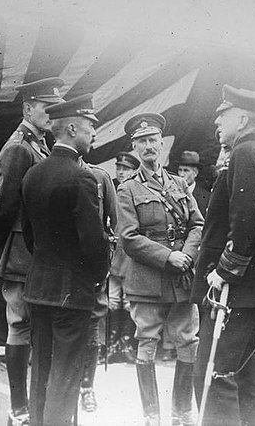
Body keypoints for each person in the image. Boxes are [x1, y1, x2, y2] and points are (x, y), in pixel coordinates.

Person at [191, 84, 255, 426]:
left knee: (214, 375)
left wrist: (226, 271)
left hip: (236, 291)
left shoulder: (245, 155)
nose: (217, 123)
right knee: (253, 380)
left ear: (243, 118)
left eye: (223, 116)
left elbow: (247, 222)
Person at [21, 94, 109, 426]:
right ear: (72, 128)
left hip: (38, 288)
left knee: (41, 369)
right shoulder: (83, 177)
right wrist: (97, 277)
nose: (94, 135)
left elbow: (30, 237)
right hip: (73, 293)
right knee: (66, 374)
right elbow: (93, 242)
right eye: (90, 127)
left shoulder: (33, 174)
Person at [116, 112, 204, 426]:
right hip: (148, 278)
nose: (149, 146)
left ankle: (181, 414)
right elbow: (128, 237)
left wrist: (187, 255)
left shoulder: (180, 184)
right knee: (147, 341)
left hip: (182, 277)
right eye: (142, 142)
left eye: (153, 140)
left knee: (187, 341)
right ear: (135, 147)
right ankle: (151, 417)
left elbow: (197, 225)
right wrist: (168, 257)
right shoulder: (127, 189)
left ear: (162, 144)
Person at [0, 77, 65, 426]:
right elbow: (4, 206)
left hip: (37, 249)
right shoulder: (19, 147)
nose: (52, 113)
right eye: (47, 106)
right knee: (19, 324)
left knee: (34, 325)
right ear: (27, 108)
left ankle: (32, 406)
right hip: (20, 250)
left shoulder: (40, 145)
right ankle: (19, 408)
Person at [76, 144, 118, 413]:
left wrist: (104, 262)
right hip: (63, 267)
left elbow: (114, 222)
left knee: (92, 328)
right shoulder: (54, 173)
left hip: (92, 269)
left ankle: (87, 387)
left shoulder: (100, 177)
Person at [107, 151, 140, 364]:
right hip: (113, 253)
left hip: (131, 255)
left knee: (129, 302)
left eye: (125, 169)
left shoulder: (138, 189)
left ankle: (127, 343)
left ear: (134, 171)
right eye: (119, 168)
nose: (121, 171)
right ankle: (111, 343)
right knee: (112, 300)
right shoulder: (109, 187)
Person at [177, 151, 210, 218]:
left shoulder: (206, 197)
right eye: (180, 170)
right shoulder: (172, 192)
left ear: (195, 173)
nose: (181, 174)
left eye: (186, 170)